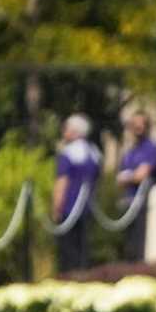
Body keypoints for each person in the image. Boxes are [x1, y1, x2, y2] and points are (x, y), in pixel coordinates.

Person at [52, 114, 101, 273]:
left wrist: (56, 207)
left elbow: (62, 182)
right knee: (84, 249)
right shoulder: (94, 153)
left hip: (69, 208)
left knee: (68, 251)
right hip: (89, 208)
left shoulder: (67, 153)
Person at [115, 110, 156, 262]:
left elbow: (142, 175)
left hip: (142, 203)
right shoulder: (130, 152)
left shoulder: (151, 148)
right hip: (128, 202)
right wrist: (130, 177)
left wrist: (129, 177)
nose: (137, 127)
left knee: (139, 242)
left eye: (141, 124)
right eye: (134, 124)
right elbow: (120, 179)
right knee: (128, 245)